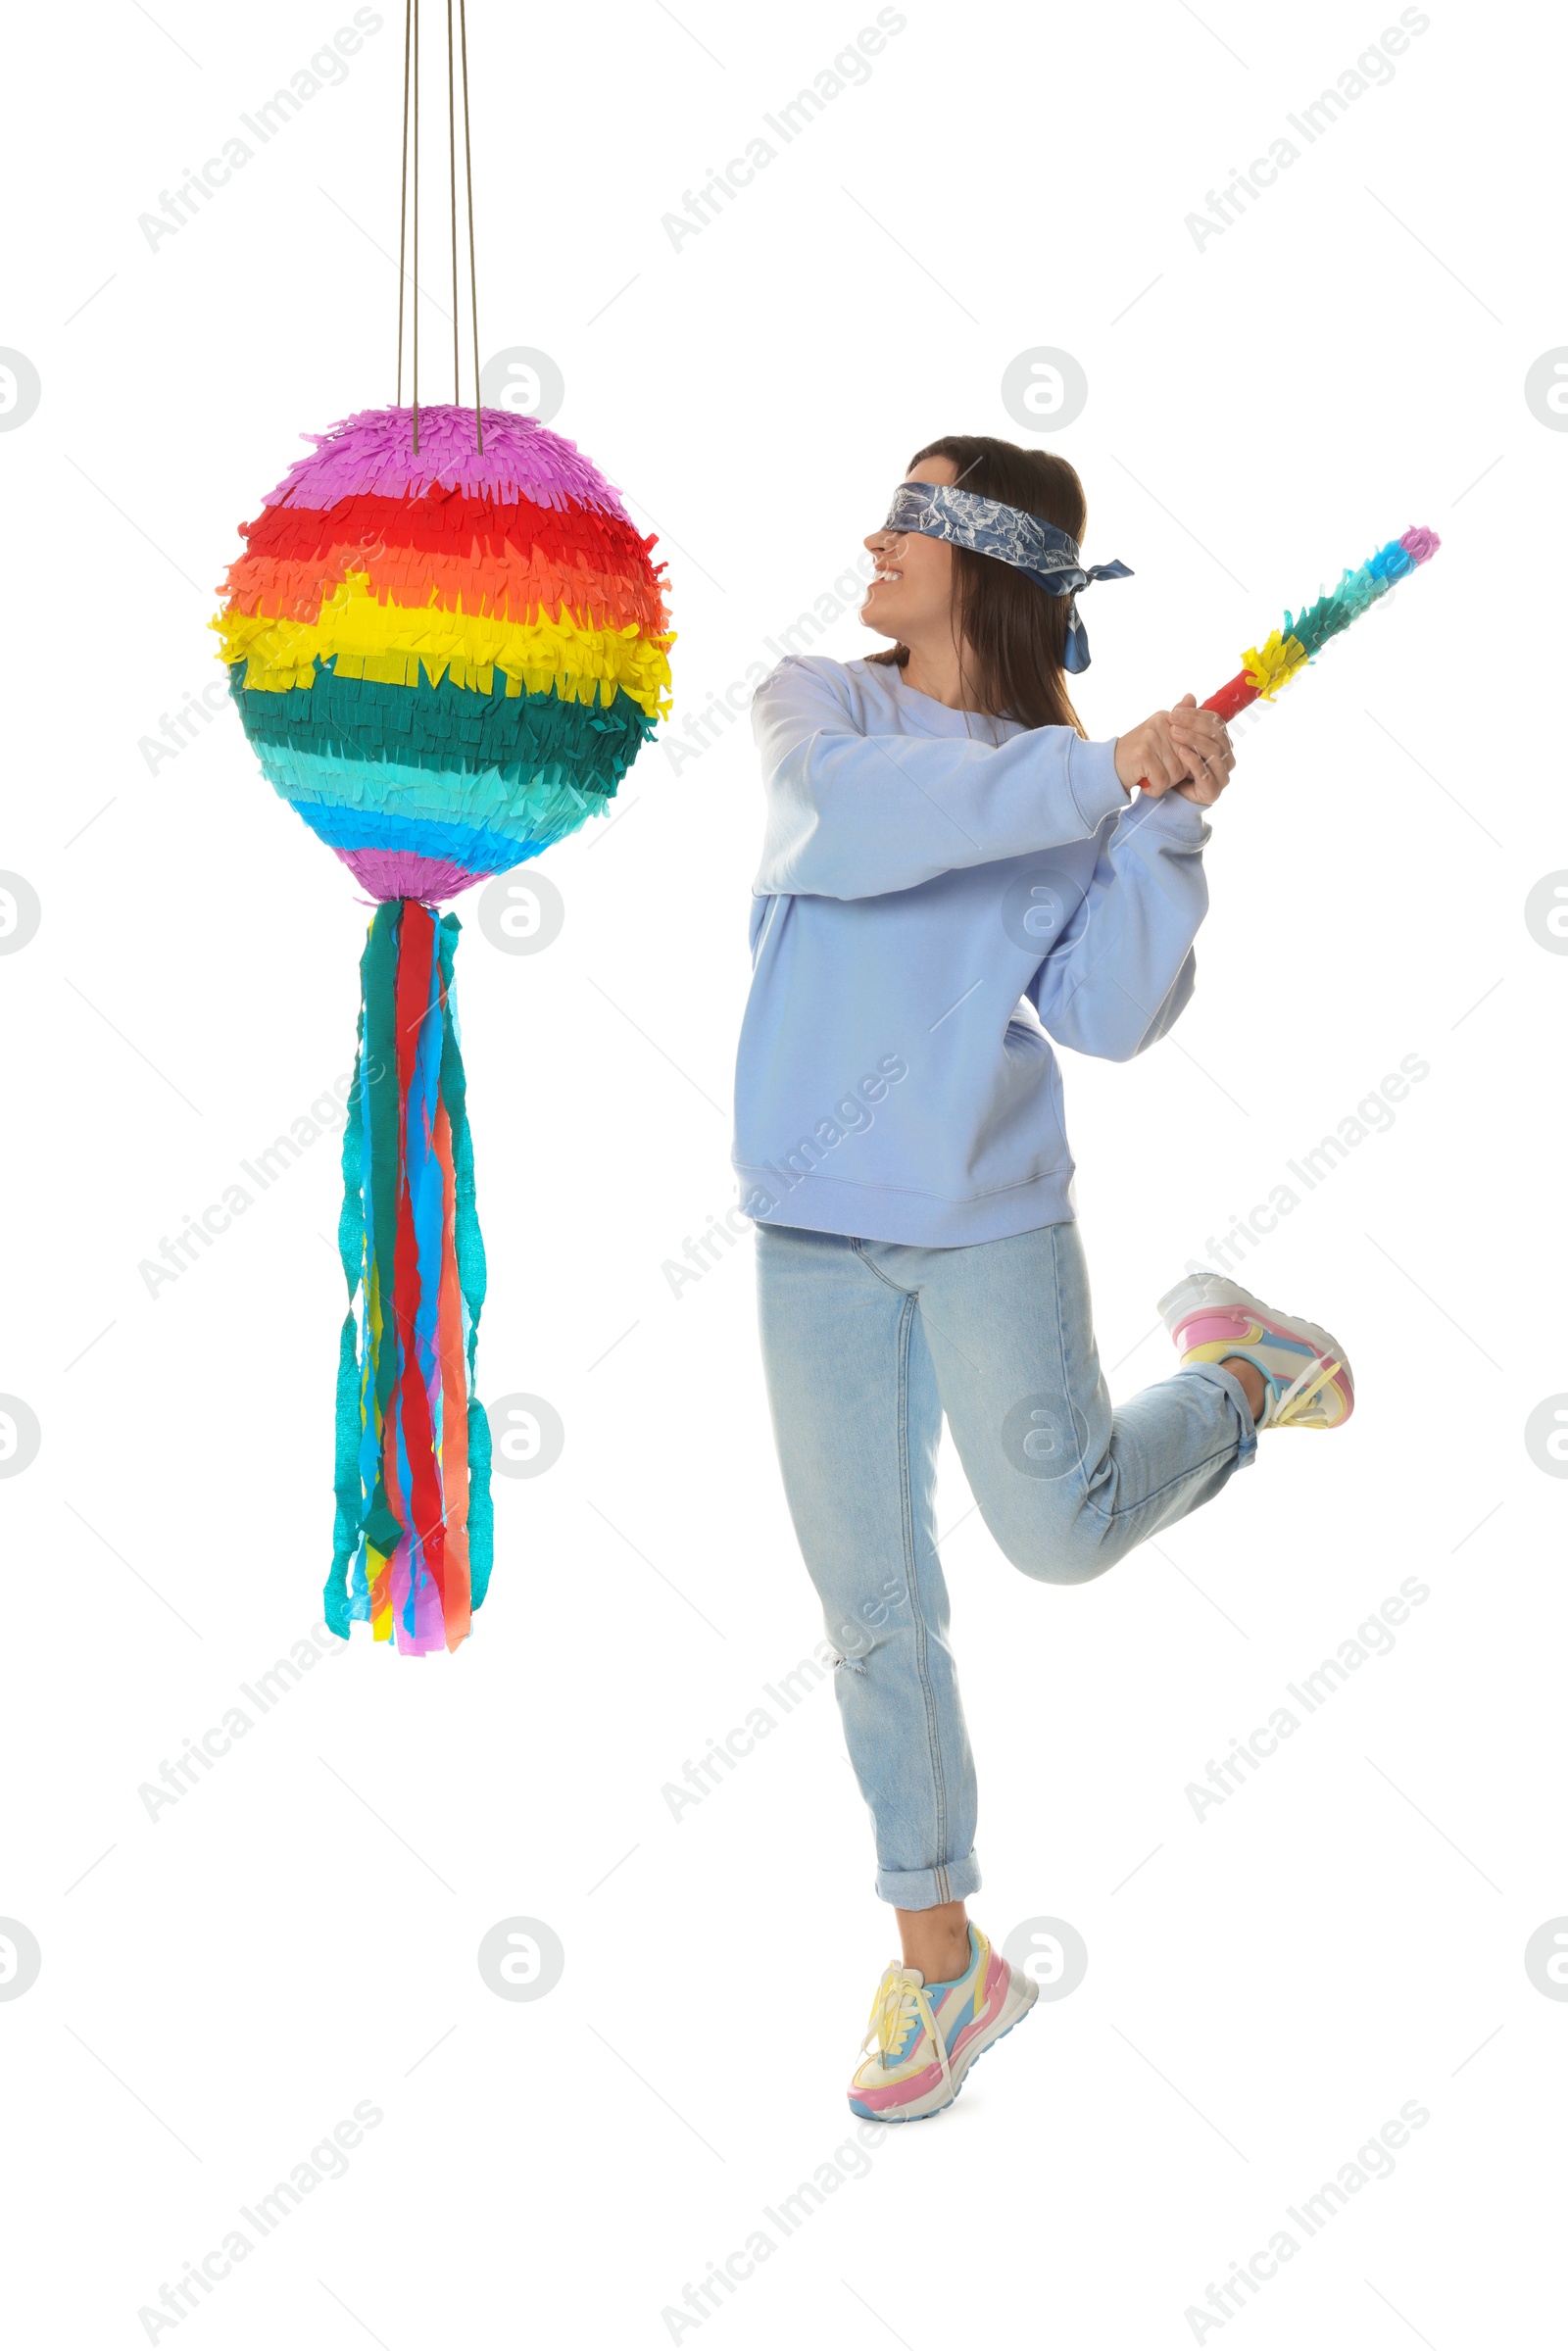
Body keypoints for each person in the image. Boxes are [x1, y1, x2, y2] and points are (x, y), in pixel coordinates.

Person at [732, 435, 1354, 2124]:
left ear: (985, 559)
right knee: (875, 1616)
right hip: (812, 1227)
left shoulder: (1080, 783)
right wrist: (1097, 785)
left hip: (989, 1210)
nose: (874, 537)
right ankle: (947, 1974)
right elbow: (849, 829)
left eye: (911, 517)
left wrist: (1164, 831)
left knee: (1064, 1537)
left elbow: (1105, 1017)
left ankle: (1239, 1375)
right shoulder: (823, 714)